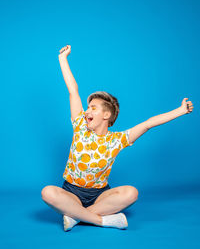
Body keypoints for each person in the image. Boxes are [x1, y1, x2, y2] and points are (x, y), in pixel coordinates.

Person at [41, 44, 194, 232]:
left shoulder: (117, 140)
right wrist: (62, 59)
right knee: (47, 192)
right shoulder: (80, 125)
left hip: (99, 196)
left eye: (93, 108)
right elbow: (73, 90)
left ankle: (75, 216)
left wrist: (180, 111)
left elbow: (148, 123)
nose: (87, 111)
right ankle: (102, 220)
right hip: (71, 191)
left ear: (106, 116)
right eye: (87, 108)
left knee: (132, 193)